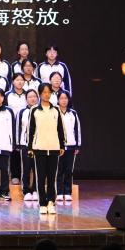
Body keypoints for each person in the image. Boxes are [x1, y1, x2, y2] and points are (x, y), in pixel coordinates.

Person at [29, 84, 66, 215]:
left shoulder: (56, 110)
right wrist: (30, 147)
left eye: (49, 92)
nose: (47, 94)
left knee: (52, 177)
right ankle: (42, 204)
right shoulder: (34, 110)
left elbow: (60, 128)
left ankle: (51, 202)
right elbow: (31, 129)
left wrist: (62, 145)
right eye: (44, 92)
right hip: (39, 148)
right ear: (40, 94)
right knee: (40, 177)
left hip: (54, 147)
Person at [57, 90, 81, 203]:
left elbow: (77, 129)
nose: (64, 100)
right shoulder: (54, 112)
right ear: (58, 100)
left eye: (65, 98)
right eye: (61, 98)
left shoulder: (73, 113)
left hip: (71, 146)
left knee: (68, 170)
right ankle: (58, 192)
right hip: (58, 147)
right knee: (58, 170)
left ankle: (67, 192)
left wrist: (77, 145)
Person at [17, 89, 39, 202]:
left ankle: (35, 190)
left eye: (34, 96)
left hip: (38, 145)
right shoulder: (22, 112)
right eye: (30, 97)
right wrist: (18, 143)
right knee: (26, 168)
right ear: (26, 99)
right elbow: (18, 128)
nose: (32, 99)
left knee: (37, 169)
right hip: (25, 145)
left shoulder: (41, 111)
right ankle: (26, 191)